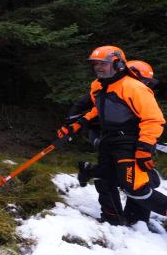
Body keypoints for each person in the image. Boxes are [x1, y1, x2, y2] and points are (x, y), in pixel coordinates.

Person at [57, 46, 167, 225]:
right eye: (95, 64)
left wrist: (144, 147)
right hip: (108, 140)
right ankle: (113, 220)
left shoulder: (133, 87)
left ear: (118, 64)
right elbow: (98, 109)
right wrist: (78, 123)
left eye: (103, 64)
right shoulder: (98, 86)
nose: (98, 67)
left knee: (135, 188)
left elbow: (154, 119)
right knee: (103, 179)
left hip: (128, 142)